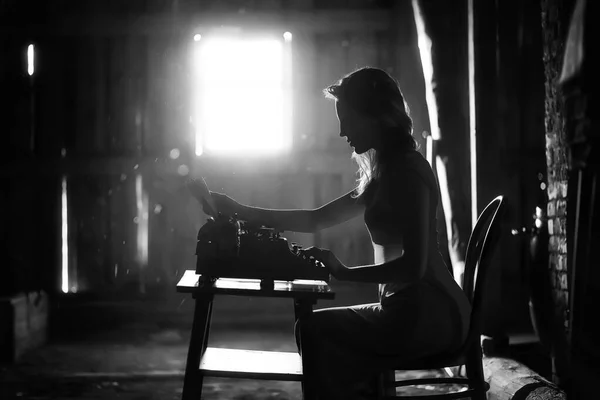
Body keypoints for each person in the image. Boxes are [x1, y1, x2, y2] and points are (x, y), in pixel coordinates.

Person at [203, 67, 471, 399]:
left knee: (314, 332)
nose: (343, 132)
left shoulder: (409, 172)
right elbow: (316, 219)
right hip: (407, 309)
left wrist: (344, 272)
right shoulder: (386, 172)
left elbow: (413, 267)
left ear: (376, 116)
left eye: (348, 119)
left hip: (430, 314)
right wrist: (240, 210)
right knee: (315, 332)